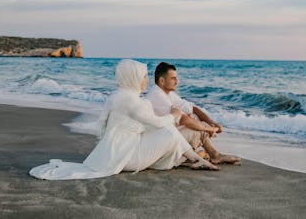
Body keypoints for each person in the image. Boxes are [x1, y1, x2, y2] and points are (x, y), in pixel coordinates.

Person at [29, 59, 218, 180]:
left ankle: (196, 159)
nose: (146, 80)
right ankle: (197, 159)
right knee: (168, 131)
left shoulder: (115, 96)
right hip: (127, 158)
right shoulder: (134, 102)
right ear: (133, 78)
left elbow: (102, 127)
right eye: (143, 77)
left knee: (165, 132)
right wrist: (174, 115)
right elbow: (160, 123)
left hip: (110, 152)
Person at [147, 62, 241, 165]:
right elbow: (184, 120)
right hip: (158, 145)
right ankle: (213, 155)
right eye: (173, 78)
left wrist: (212, 123)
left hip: (167, 137)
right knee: (196, 127)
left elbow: (192, 108)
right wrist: (209, 129)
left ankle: (200, 155)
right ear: (162, 80)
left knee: (196, 119)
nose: (177, 81)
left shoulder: (167, 94)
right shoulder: (157, 95)